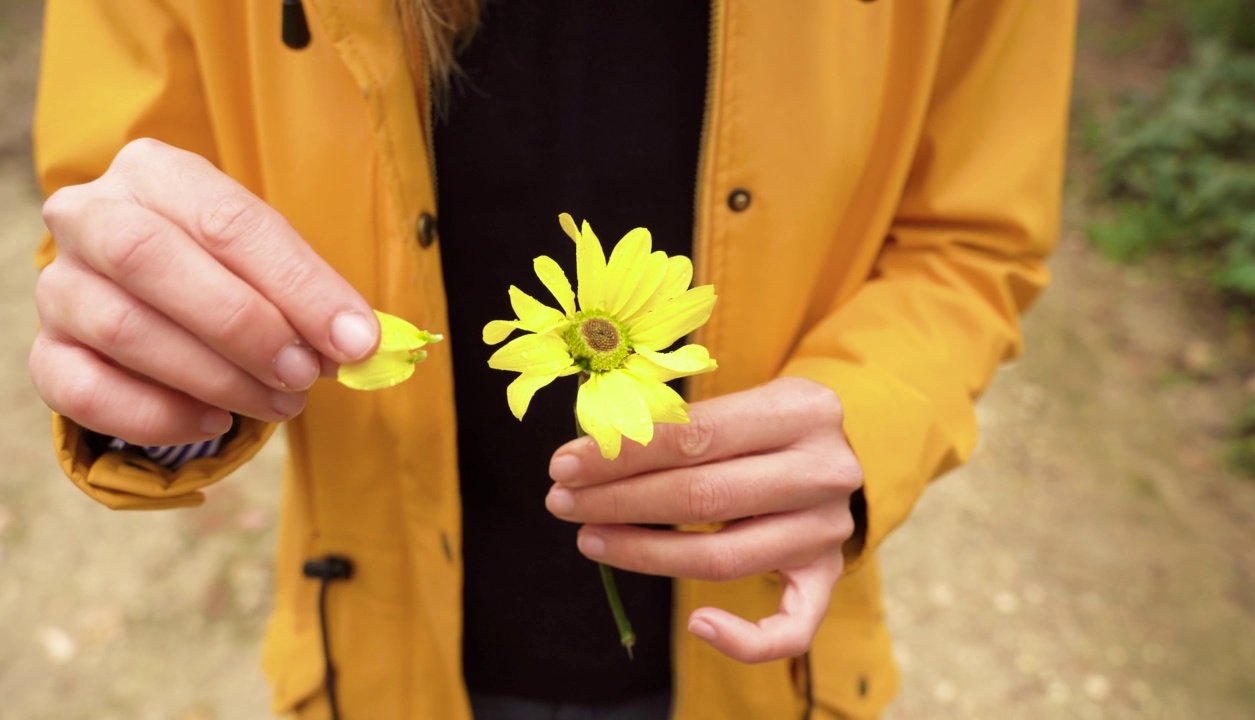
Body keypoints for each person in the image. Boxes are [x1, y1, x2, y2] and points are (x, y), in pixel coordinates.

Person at [29, 0, 1077, 718]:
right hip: (383, 656)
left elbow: (972, 238)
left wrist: (870, 410)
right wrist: (155, 368)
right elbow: (115, 207)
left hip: (761, 653)